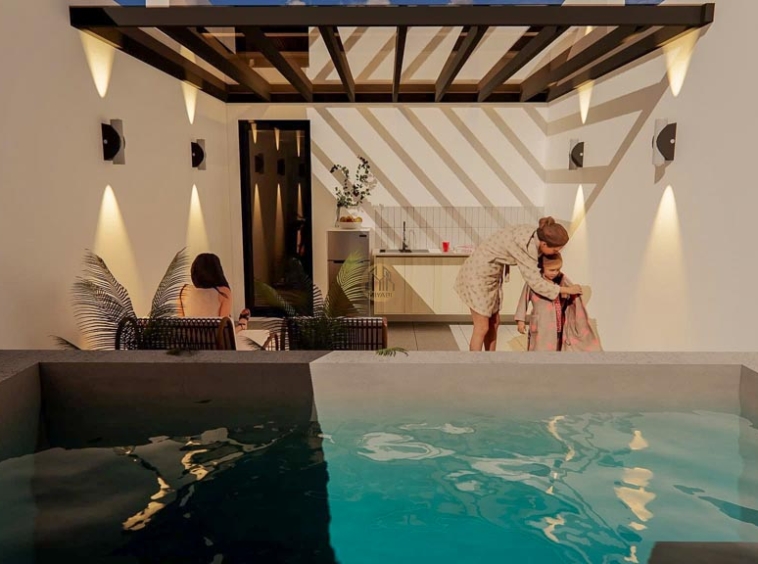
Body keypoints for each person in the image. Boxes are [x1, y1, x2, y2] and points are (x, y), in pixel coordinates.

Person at [454, 217, 583, 351]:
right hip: (476, 276)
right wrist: (567, 290)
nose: (557, 253)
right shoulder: (526, 247)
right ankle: (475, 362)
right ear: (544, 244)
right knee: (482, 327)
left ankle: (490, 358)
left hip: (491, 277)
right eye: (555, 250)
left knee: (494, 323)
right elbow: (536, 283)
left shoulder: (535, 234)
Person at [515, 253, 602, 352]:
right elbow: (523, 300)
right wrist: (520, 321)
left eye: (558, 269)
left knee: (557, 347)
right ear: (542, 267)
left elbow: (568, 294)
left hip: (557, 323)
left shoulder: (561, 280)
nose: (555, 273)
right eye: (552, 270)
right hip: (541, 324)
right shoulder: (533, 282)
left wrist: (572, 292)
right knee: (539, 348)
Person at [178, 253, 250, 332]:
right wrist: (240, 326)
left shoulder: (183, 291)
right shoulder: (223, 292)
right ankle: (242, 325)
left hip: (190, 338)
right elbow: (223, 330)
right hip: (214, 338)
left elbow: (182, 324)